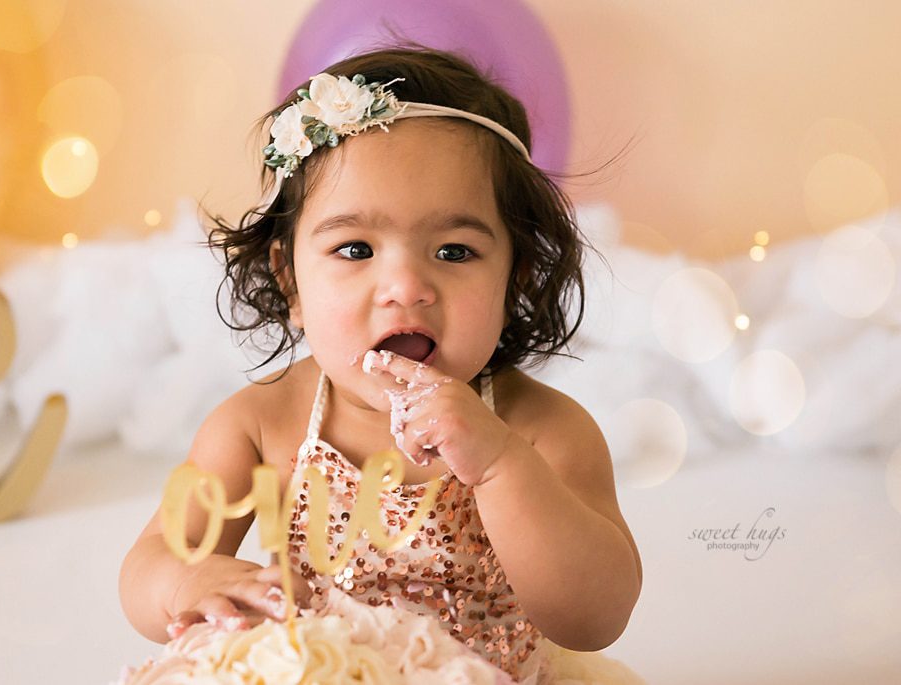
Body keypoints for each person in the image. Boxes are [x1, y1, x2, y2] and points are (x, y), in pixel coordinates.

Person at [119, 46, 644, 684]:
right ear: (290, 282)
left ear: (515, 281)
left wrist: (500, 466)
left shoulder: (540, 432)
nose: (405, 287)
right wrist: (188, 582)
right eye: (355, 249)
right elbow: (151, 560)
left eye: (454, 251)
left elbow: (595, 616)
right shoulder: (260, 426)